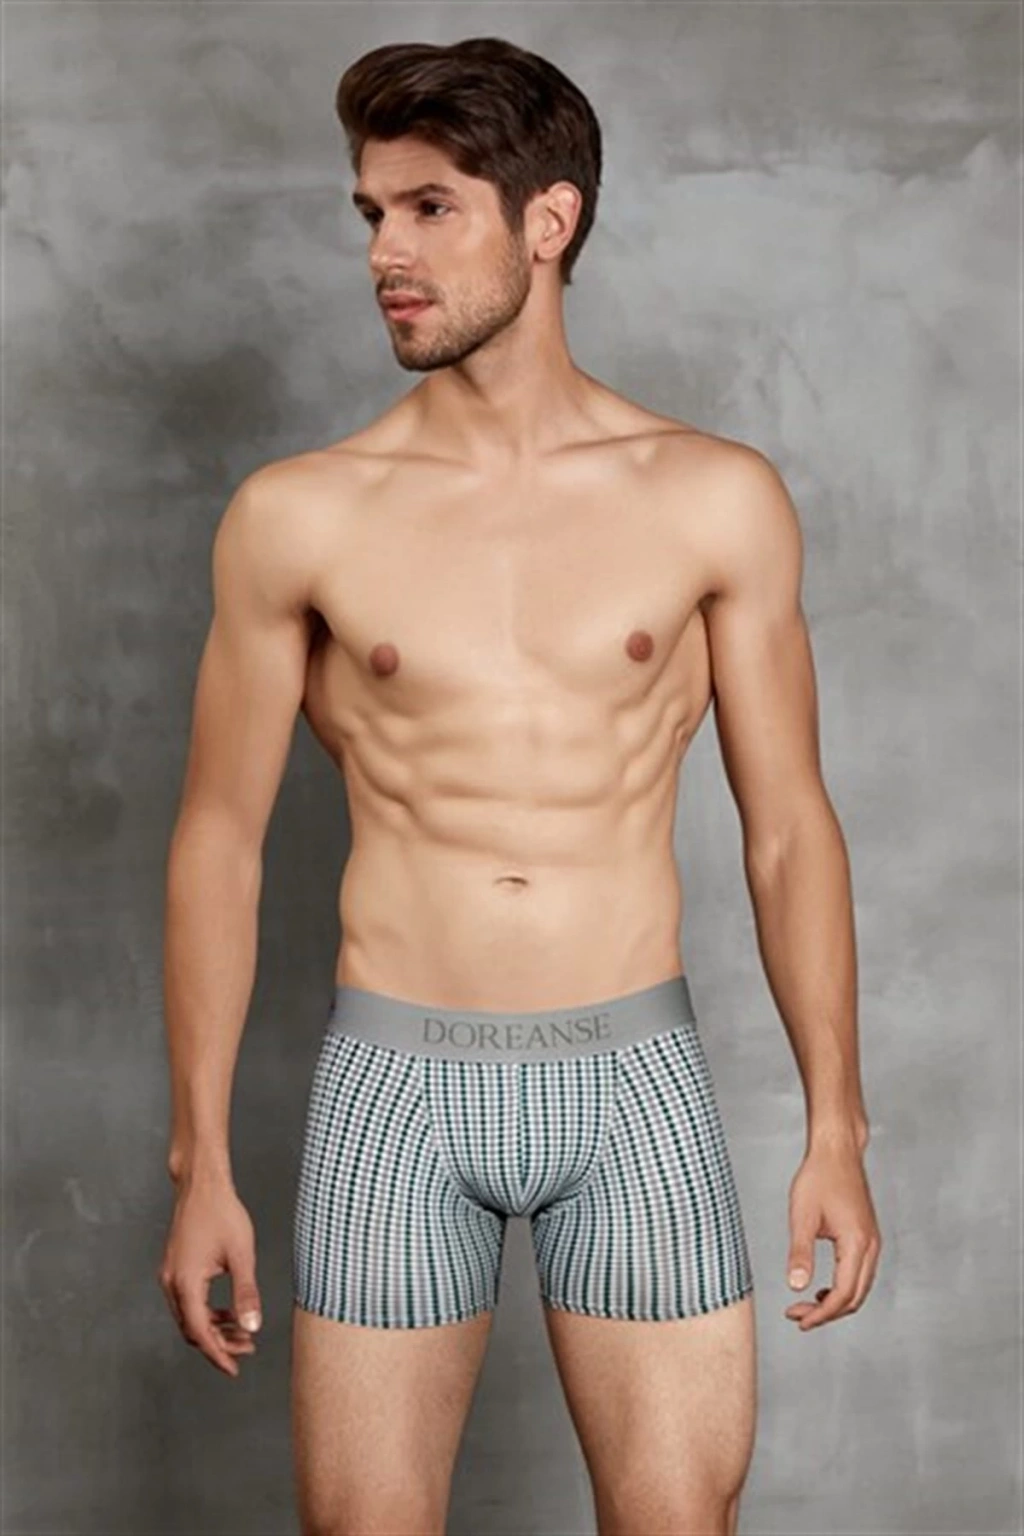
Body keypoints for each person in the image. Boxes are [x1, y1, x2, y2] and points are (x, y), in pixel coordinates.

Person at [157, 34, 882, 1536]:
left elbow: (789, 832)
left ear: (548, 221)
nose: (385, 254)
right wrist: (201, 1160)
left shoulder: (711, 497)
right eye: (372, 214)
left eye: (430, 210)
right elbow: (219, 842)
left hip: (634, 1085)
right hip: (393, 1090)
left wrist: (837, 1126)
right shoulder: (300, 516)